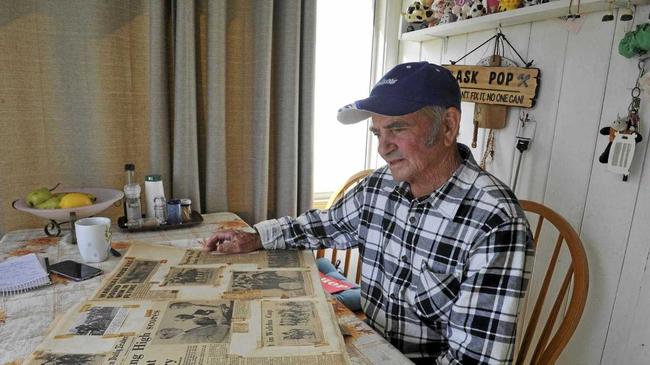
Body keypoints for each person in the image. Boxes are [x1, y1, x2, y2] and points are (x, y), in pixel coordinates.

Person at [204, 61, 534, 364]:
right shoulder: (380, 185)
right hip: (372, 344)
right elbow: (326, 225)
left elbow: (473, 362)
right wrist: (256, 237)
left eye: (398, 129)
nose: (383, 147)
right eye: (378, 132)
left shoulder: (495, 223)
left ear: (448, 126)